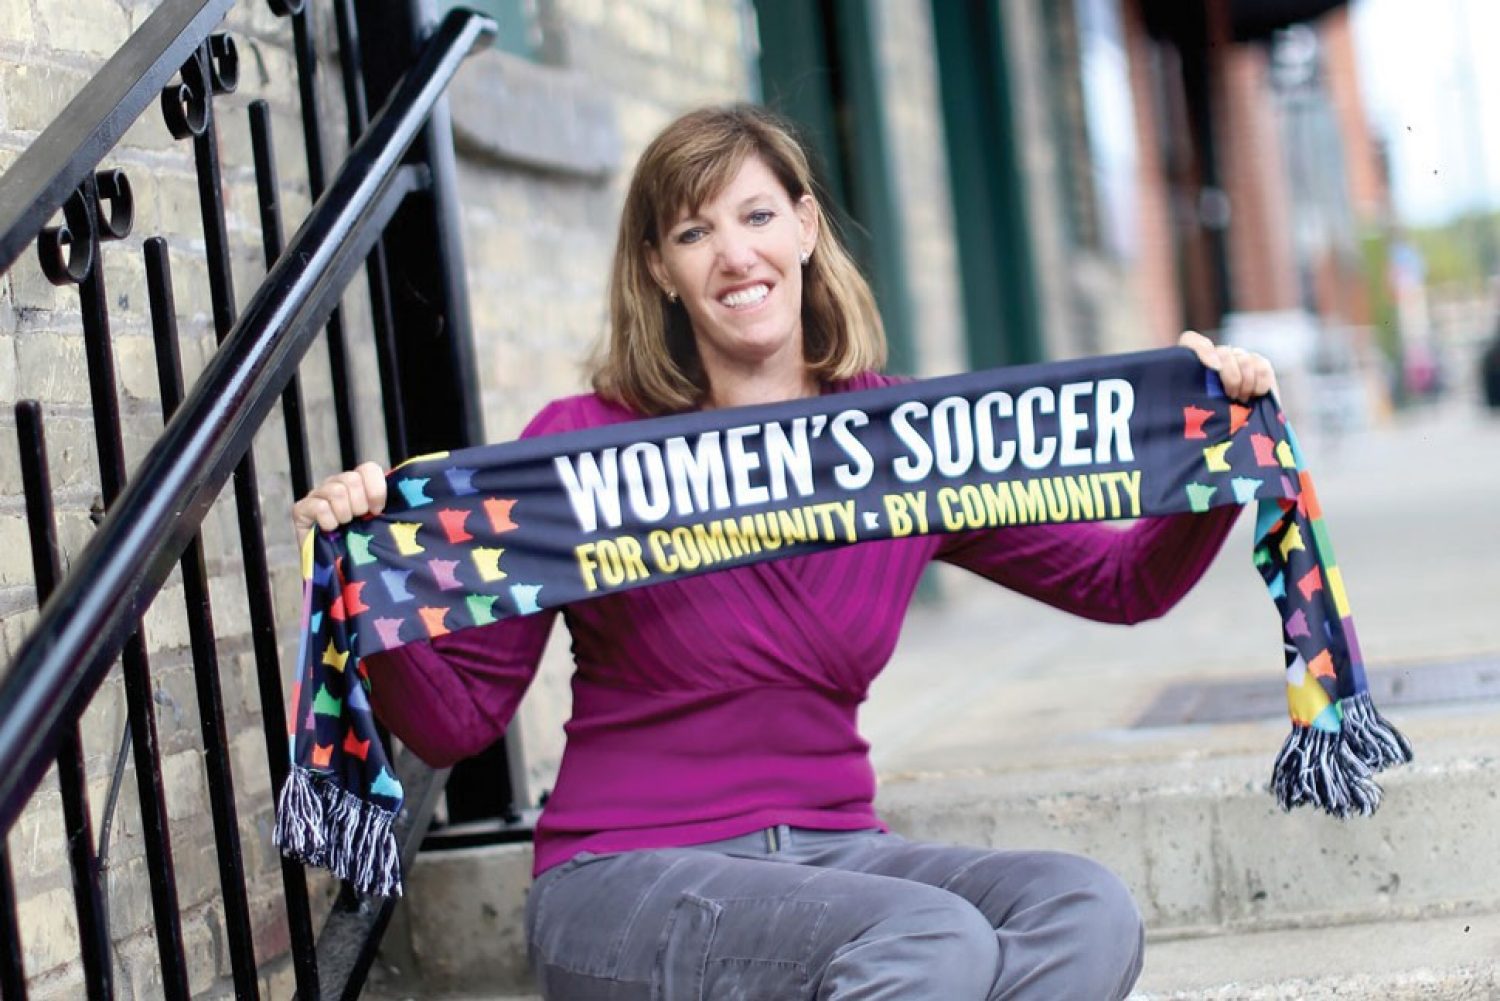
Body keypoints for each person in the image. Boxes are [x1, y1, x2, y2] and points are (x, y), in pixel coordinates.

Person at [292, 105, 1278, 1000]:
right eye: (693, 231)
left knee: (1084, 908)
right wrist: (366, 587)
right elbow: (459, 721)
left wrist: (1219, 450)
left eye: (757, 216)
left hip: (838, 858)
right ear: (658, 268)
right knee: (929, 940)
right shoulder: (581, 446)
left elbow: (1124, 581)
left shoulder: (905, 444)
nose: (733, 254)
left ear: (806, 227)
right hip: (624, 876)